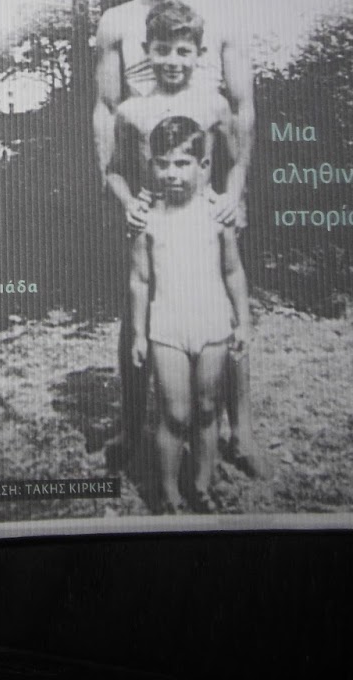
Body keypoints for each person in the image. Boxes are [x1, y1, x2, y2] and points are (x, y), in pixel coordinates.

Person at [93, 0, 266, 477]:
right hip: (149, 196)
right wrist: (121, 194)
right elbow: (107, 109)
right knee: (140, 302)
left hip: (207, 193)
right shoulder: (118, 21)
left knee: (222, 305)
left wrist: (236, 190)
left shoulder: (226, 17)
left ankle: (240, 431)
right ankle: (130, 425)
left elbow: (241, 109)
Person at [129, 116, 250, 513]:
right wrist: (138, 334)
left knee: (207, 409)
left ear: (203, 166)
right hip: (168, 328)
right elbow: (140, 281)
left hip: (213, 325)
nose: (172, 173)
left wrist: (243, 322)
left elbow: (233, 272)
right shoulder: (147, 220)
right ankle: (168, 492)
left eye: (182, 163)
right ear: (152, 166)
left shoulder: (218, 216)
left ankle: (201, 485)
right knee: (175, 414)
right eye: (163, 164)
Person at [104, 0, 239, 234]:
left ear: (200, 54)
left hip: (204, 217)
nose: (173, 62)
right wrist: (130, 203)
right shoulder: (131, 111)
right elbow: (114, 171)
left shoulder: (215, 106)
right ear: (146, 50)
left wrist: (231, 197)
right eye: (162, 50)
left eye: (183, 52)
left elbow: (235, 164)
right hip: (152, 220)